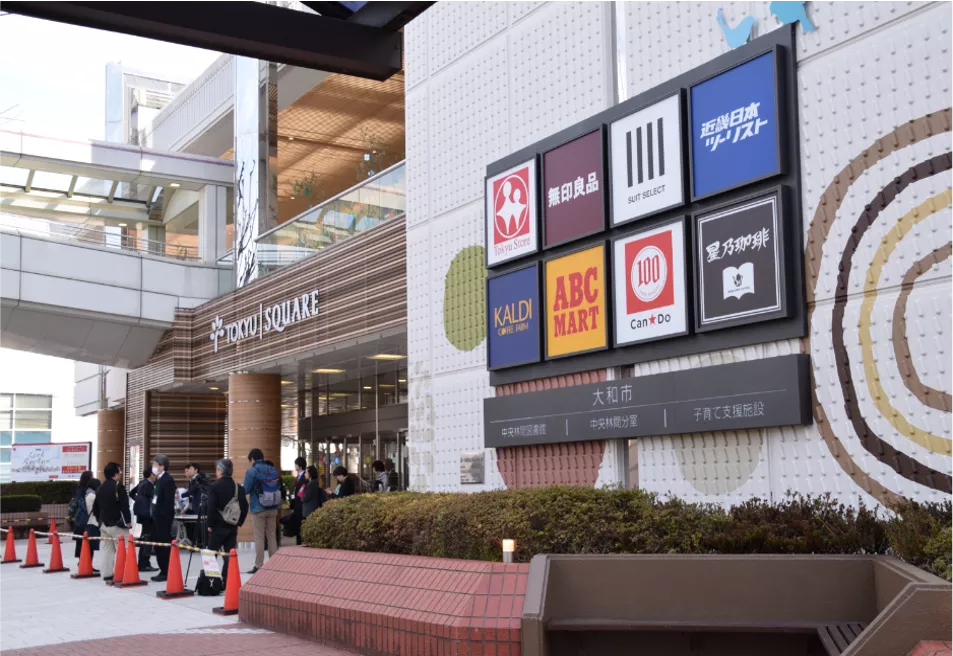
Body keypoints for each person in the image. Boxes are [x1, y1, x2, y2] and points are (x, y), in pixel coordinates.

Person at [205, 458, 248, 591]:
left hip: (218, 526)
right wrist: (238, 522)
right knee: (229, 555)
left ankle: (211, 583)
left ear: (220, 470)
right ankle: (227, 582)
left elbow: (211, 507)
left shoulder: (214, 487)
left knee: (211, 554)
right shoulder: (238, 487)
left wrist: (210, 524)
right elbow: (245, 506)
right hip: (232, 527)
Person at [243, 449, 282, 574]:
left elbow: (246, 490)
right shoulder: (272, 470)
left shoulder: (252, 471)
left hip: (258, 507)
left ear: (252, 459)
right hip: (273, 507)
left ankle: (259, 565)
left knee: (259, 537)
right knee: (271, 536)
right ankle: (274, 564)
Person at [94, 462, 131, 584]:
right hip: (117, 524)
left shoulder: (100, 488)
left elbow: (96, 508)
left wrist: (100, 521)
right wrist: (129, 521)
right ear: (115, 473)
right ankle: (124, 573)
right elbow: (124, 506)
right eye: (119, 471)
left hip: (104, 524)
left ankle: (107, 574)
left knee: (107, 550)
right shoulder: (118, 486)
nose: (120, 473)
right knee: (124, 548)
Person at [150, 454, 176, 583]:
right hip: (157, 517)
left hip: (163, 519)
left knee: (163, 545)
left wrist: (164, 517)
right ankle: (162, 569)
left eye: (155, 465)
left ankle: (165, 570)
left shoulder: (167, 480)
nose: (153, 467)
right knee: (158, 545)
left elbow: (168, 502)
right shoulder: (158, 479)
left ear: (162, 466)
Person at [130, 466, 158, 572]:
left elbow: (132, 493)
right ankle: (144, 563)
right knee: (148, 538)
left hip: (141, 515)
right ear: (151, 474)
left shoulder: (142, 483)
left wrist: (138, 501)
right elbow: (155, 499)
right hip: (148, 515)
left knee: (144, 538)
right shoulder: (149, 485)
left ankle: (143, 562)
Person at [70, 471, 93, 559]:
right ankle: (83, 563)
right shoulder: (82, 490)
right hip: (83, 519)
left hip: (81, 519)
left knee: (84, 542)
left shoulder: (82, 489)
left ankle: (85, 563)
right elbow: (81, 503)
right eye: (92, 476)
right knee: (84, 542)